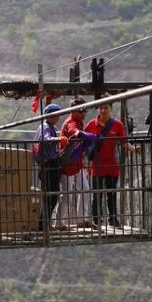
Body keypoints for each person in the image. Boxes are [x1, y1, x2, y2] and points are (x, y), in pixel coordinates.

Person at [85, 102, 139, 228]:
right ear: (98, 110)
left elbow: (124, 143)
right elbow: (84, 143)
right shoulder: (91, 125)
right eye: (101, 108)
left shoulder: (117, 125)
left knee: (112, 193)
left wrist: (134, 149)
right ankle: (97, 219)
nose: (103, 110)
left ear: (111, 109)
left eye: (106, 108)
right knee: (97, 194)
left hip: (112, 166)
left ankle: (113, 219)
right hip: (96, 166)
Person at [58, 98, 96, 228]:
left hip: (77, 163)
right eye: (81, 111)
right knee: (67, 194)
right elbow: (75, 132)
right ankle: (59, 222)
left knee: (85, 190)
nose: (84, 114)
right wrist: (87, 136)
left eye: (84, 111)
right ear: (75, 111)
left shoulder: (79, 121)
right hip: (67, 163)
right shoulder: (71, 122)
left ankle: (82, 220)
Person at [33, 103, 65, 232]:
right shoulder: (45, 127)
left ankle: (44, 223)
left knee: (51, 194)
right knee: (52, 194)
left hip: (49, 163)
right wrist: (59, 140)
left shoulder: (48, 126)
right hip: (49, 165)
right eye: (56, 114)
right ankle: (43, 224)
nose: (58, 117)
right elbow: (46, 140)